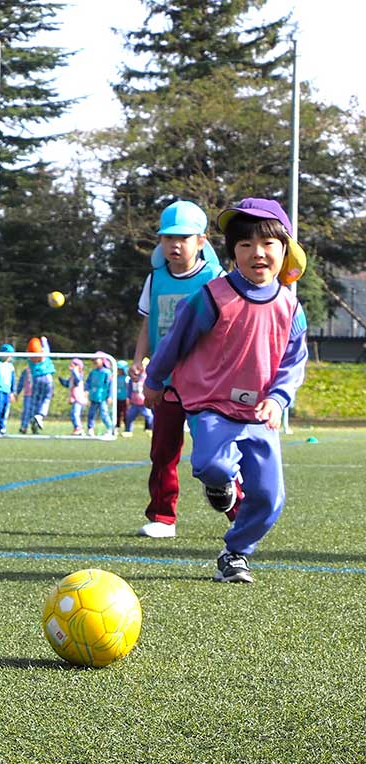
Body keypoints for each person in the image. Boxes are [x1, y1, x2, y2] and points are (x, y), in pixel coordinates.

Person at [144, 198, 308, 582]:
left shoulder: (291, 306)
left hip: (260, 413)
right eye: (245, 244)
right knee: (211, 466)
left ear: (284, 249)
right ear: (233, 251)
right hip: (210, 404)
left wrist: (279, 397)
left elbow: (293, 361)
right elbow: (175, 342)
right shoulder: (213, 297)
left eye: (268, 244)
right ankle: (221, 487)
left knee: (270, 499)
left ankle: (235, 553)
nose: (258, 253)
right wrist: (155, 380)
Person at [133, 200, 233, 539]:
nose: (175, 245)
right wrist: (138, 360)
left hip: (207, 383)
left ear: (201, 241)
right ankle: (162, 517)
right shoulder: (155, 278)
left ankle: (239, 510)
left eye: (184, 238)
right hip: (165, 381)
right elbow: (147, 324)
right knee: (163, 450)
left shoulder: (216, 279)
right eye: (167, 238)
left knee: (214, 453)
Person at [27, 335, 55, 432]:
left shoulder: (30, 360)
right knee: (46, 398)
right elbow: (46, 348)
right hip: (47, 378)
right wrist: (44, 340)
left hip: (36, 379)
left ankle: (33, 417)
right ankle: (40, 415)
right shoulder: (45, 355)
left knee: (35, 399)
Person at [84, 356, 114, 436]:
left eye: (96, 359)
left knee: (104, 413)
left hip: (103, 397)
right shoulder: (93, 372)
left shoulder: (107, 372)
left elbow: (110, 385)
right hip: (94, 396)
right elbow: (88, 383)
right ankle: (90, 429)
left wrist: (110, 396)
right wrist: (86, 393)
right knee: (91, 413)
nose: (95, 361)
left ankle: (110, 429)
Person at [125, 360, 154, 435]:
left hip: (144, 402)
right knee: (129, 416)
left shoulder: (148, 377)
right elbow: (130, 389)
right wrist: (129, 397)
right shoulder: (133, 377)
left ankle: (153, 430)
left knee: (149, 416)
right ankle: (128, 431)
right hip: (135, 402)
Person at [60, 357, 86, 435]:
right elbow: (67, 384)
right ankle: (78, 428)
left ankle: (78, 428)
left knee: (75, 414)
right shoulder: (72, 377)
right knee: (73, 414)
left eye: (74, 365)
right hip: (74, 399)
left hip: (79, 399)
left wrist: (74, 370)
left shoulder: (79, 376)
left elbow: (77, 381)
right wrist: (61, 380)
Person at [15, 361, 34, 434]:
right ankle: (24, 426)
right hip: (28, 395)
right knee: (26, 411)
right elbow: (21, 383)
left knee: (35, 412)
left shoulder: (40, 371)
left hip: (37, 395)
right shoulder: (26, 371)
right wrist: (17, 392)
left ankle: (34, 426)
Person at [114, 359, 130, 431]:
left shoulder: (127, 378)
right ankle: (117, 426)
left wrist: (128, 397)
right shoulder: (116, 377)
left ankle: (127, 427)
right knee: (117, 413)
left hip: (124, 398)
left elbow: (128, 389)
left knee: (125, 413)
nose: (118, 371)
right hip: (117, 398)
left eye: (120, 369)